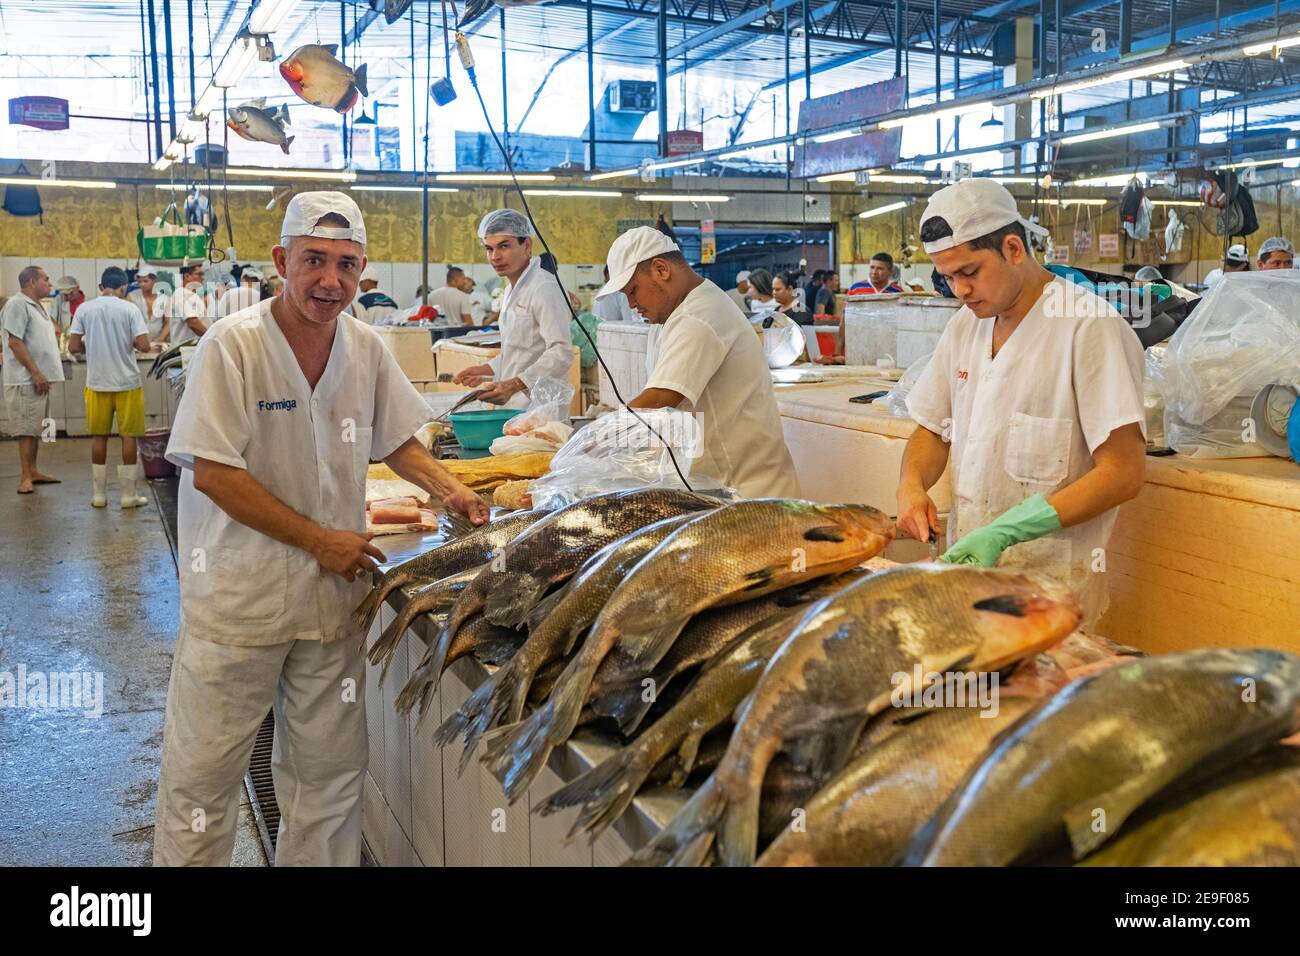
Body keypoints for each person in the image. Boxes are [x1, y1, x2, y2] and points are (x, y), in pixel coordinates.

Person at [152, 191, 489, 868]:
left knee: (329, 780)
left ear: (363, 272)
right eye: (314, 261)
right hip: (237, 602)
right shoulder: (234, 345)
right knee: (203, 782)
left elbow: (397, 438)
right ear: (282, 261)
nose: (331, 280)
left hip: (329, 604)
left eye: (346, 264)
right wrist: (319, 539)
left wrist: (450, 487)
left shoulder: (363, 347)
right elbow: (213, 472)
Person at [896, 178, 1146, 624]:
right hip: (970, 580)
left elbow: (1123, 473)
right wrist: (911, 486)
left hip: (1050, 594)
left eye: (969, 273)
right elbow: (933, 429)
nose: (960, 291)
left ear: (1013, 248)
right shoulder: (964, 327)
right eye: (948, 277)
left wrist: (1010, 530)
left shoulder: (1087, 328)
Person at [596, 226, 799, 499]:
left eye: (633, 291)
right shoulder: (669, 316)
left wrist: (594, 440)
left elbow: (661, 396)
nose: (631, 303)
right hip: (713, 487)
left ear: (661, 269)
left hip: (747, 493)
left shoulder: (700, 314)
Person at [452, 208, 573, 408]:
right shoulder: (510, 290)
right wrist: (486, 369)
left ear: (527, 245)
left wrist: (515, 384)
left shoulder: (544, 287)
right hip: (514, 408)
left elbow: (561, 352)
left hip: (541, 409)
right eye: (489, 249)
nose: (495, 257)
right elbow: (519, 353)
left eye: (504, 246)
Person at [67, 267, 152, 509]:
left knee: (99, 437)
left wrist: (92, 344)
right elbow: (144, 346)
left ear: (100, 286)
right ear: (124, 287)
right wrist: (130, 340)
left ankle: (99, 496)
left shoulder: (85, 308)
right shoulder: (129, 308)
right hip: (127, 384)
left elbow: (73, 347)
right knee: (128, 436)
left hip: (96, 383)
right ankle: (128, 496)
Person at [3, 266, 64, 494]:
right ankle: (25, 476)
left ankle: (34, 470)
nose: (50, 284)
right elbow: (15, 342)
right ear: (31, 282)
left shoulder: (38, 306)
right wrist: (36, 372)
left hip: (38, 378)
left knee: (34, 427)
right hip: (25, 379)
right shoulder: (17, 304)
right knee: (26, 430)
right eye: (46, 279)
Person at [164, 262, 211, 346]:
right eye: (199, 274)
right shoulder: (182, 294)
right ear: (187, 276)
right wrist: (211, 338)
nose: (202, 278)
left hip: (193, 349)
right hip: (185, 351)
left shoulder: (192, 295)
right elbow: (193, 323)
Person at [129, 269, 169, 344]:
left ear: (154, 281)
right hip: (137, 342)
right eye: (139, 281)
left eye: (145, 281)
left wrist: (161, 338)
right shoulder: (132, 297)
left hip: (158, 342)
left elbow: (168, 322)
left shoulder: (164, 298)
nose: (142, 284)